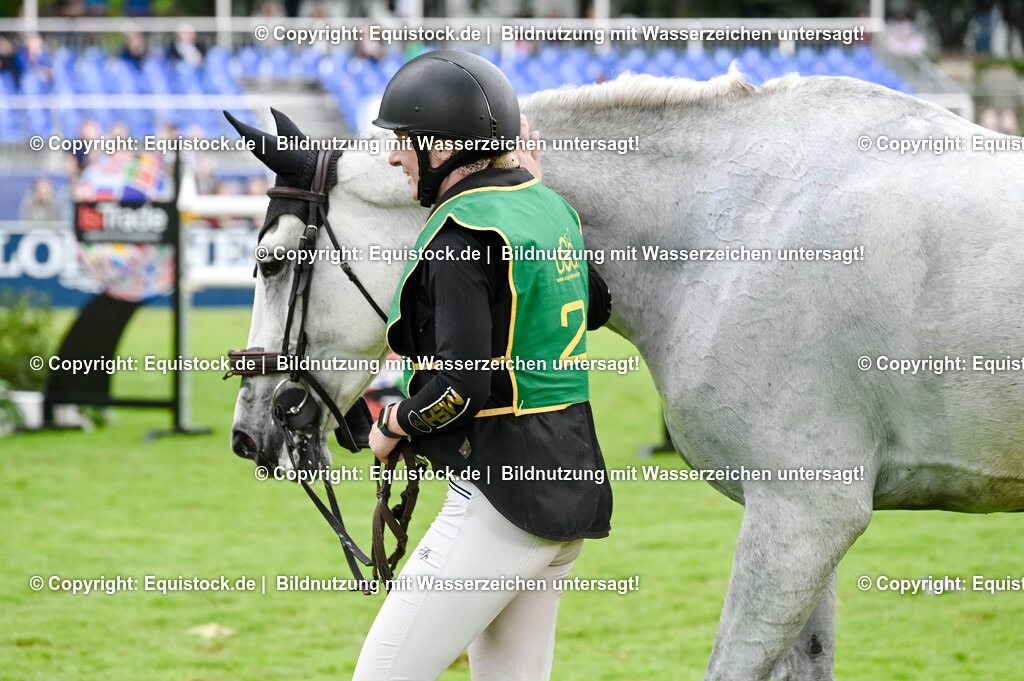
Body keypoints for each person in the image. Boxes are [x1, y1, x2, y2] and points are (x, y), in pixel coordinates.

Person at [356, 50, 612, 681]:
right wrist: (536, 190)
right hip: (569, 482)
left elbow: (460, 391)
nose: (396, 157)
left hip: (501, 499)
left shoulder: (459, 233)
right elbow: (597, 305)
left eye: (406, 143)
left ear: (444, 147)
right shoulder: (549, 206)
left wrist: (393, 424)